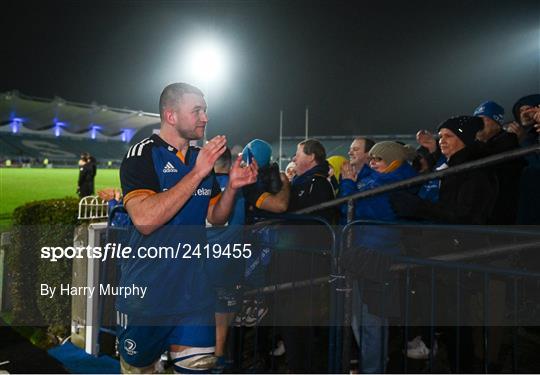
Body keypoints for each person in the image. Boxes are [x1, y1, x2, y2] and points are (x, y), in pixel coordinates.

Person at [117, 82, 257, 373]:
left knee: (201, 367)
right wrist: (197, 173)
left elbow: (215, 217)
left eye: (205, 110)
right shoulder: (142, 154)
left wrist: (231, 188)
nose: (205, 117)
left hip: (194, 294)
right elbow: (144, 220)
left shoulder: (198, 160)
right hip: (148, 295)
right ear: (171, 116)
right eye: (197, 111)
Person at [340, 141, 418, 373]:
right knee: (358, 320)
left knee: (371, 322)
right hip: (363, 256)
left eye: (378, 159)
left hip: (377, 259)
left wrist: (347, 185)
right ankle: (370, 367)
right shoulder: (376, 179)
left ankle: (373, 369)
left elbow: (352, 210)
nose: (372, 163)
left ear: (393, 161)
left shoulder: (394, 183)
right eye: (371, 158)